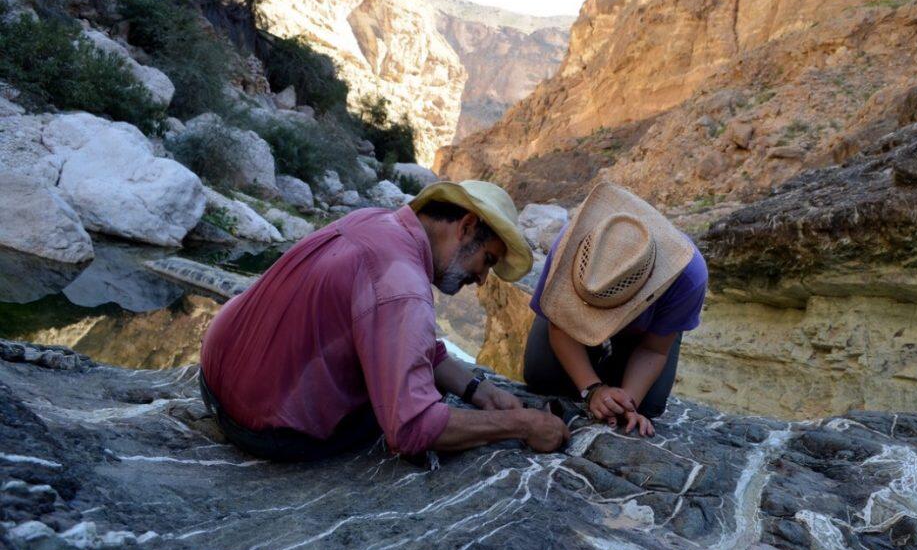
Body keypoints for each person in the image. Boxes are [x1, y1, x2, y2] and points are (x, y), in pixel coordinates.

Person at [199, 180, 570, 462]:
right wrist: (524, 425)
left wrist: (479, 391)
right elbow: (411, 427)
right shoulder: (403, 284)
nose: (482, 279)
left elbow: (408, 341)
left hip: (214, 380)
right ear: (467, 226)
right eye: (488, 260)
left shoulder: (375, 220)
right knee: (415, 399)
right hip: (263, 427)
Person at [523, 182, 708, 437]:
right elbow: (559, 325)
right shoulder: (570, 247)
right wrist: (592, 390)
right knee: (542, 376)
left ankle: (609, 372)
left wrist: (625, 404)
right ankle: (594, 370)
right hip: (570, 325)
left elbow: (653, 349)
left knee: (649, 405)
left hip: (643, 337)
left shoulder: (687, 276)